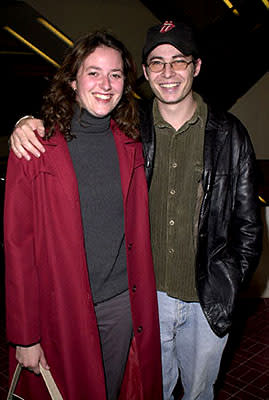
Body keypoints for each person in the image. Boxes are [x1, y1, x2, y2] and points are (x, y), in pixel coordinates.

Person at [9, 20, 263, 400]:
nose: (168, 72)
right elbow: (19, 245)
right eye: (157, 62)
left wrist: (228, 281)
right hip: (144, 298)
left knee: (196, 393)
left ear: (196, 67)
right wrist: (23, 122)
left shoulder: (225, 133)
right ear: (144, 74)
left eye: (178, 61)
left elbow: (248, 224)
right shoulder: (130, 131)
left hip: (198, 300)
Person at [4, 30, 163, 400]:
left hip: (121, 305)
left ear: (126, 83)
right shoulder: (34, 150)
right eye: (93, 73)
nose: (105, 85)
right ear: (73, 79)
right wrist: (25, 336)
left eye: (116, 74)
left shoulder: (133, 145)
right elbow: (18, 250)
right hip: (60, 311)